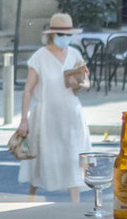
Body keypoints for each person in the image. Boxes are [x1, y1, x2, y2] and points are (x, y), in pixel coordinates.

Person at [17, 13, 93, 202]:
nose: (65, 38)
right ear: (53, 34)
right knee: (42, 157)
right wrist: (23, 120)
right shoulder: (40, 57)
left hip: (71, 115)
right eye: (61, 34)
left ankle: (75, 204)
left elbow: (87, 84)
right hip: (46, 116)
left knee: (73, 156)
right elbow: (28, 90)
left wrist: (79, 82)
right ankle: (31, 198)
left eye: (68, 35)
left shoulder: (75, 54)